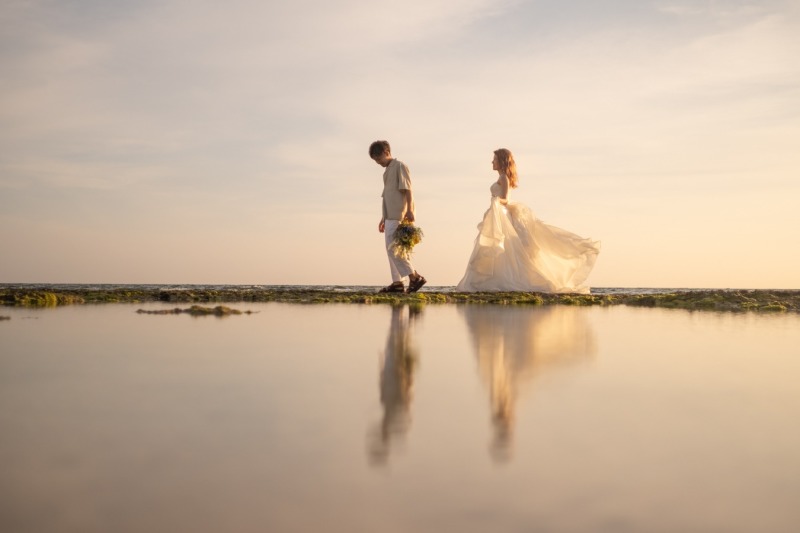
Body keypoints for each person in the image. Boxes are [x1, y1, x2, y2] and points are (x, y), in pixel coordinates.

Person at [456, 148, 600, 293]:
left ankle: (505, 281)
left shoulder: (503, 178)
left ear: (501, 161)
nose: (492, 162)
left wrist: (496, 201)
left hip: (502, 214)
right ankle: (495, 281)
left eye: (495, 159)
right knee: (501, 250)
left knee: (505, 250)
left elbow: (505, 199)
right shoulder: (502, 177)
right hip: (498, 214)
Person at [369, 140, 426, 293]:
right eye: (375, 160)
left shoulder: (399, 166)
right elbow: (387, 196)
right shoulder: (386, 172)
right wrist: (383, 218)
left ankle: (414, 277)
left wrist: (410, 210)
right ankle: (397, 283)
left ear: (387, 153)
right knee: (392, 249)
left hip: (398, 214)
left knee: (393, 248)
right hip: (389, 215)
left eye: (379, 159)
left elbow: (408, 190)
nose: (378, 163)